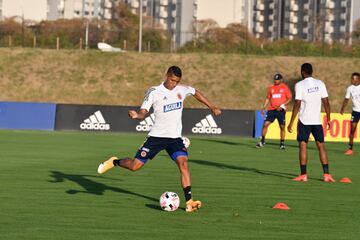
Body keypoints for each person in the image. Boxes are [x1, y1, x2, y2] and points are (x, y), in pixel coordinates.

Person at [97, 66, 222, 212]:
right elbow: (144, 111)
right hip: (156, 137)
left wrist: (211, 106)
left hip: (175, 138)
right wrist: (137, 115)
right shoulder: (154, 92)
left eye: (177, 81)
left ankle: (189, 202)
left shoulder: (182, 89)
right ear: (167, 75)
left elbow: (195, 93)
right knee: (134, 166)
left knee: (183, 164)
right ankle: (115, 161)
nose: (174, 84)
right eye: (172, 80)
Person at [287, 63, 335, 182]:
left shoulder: (300, 85)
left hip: (304, 120)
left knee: (303, 145)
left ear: (303, 72)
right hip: (317, 121)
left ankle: (303, 175)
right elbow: (326, 102)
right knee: (321, 146)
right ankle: (327, 175)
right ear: (311, 71)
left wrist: (291, 122)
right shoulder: (320, 83)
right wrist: (328, 118)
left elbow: (297, 104)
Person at [256, 73, 292, 149]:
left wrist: (282, 105)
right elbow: (268, 98)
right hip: (271, 110)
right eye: (275, 79)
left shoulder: (285, 88)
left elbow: (289, 98)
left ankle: (282, 144)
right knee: (265, 124)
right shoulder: (271, 88)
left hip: (281, 111)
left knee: (282, 127)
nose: (275, 81)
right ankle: (262, 141)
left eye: (277, 79)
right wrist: (264, 107)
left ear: (281, 80)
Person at [340, 72, 360, 155]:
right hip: (355, 111)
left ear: (359, 79)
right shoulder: (350, 88)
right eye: (352, 78)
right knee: (352, 130)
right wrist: (342, 108)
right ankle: (350, 148)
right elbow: (346, 99)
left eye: (355, 78)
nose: (353, 80)